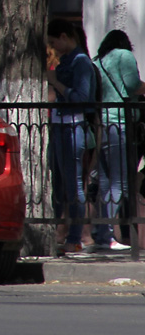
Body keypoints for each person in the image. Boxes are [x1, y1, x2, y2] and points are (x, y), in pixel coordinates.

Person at [45, 18, 97, 254]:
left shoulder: (81, 62)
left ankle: (75, 236)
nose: (53, 47)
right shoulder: (65, 60)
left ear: (65, 37)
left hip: (73, 126)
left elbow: (82, 97)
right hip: (60, 124)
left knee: (74, 184)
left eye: (54, 42)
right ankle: (62, 232)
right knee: (59, 183)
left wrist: (57, 84)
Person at [93, 29, 144, 251]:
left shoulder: (99, 61)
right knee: (120, 181)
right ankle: (112, 234)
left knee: (105, 180)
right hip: (120, 122)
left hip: (102, 123)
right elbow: (133, 86)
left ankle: (102, 234)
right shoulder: (124, 55)